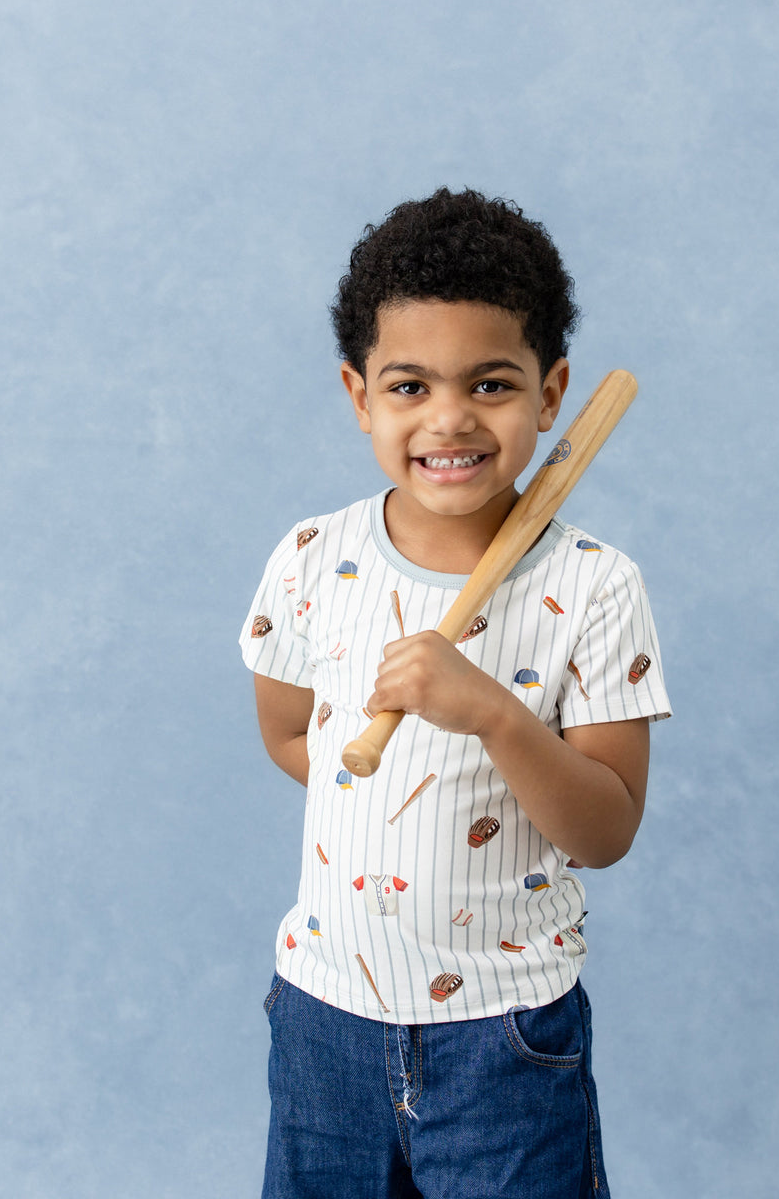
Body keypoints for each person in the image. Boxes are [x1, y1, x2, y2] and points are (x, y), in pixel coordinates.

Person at [239, 187, 671, 1198]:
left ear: (550, 393)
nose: (449, 419)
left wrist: (489, 714)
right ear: (359, 396)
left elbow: (605, 831)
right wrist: (400, 808)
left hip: (502, 1035)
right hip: (322, 1018)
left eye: (489, 384)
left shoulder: (594, 587)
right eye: (408, 386)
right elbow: (293, 736)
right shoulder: (313, 558)